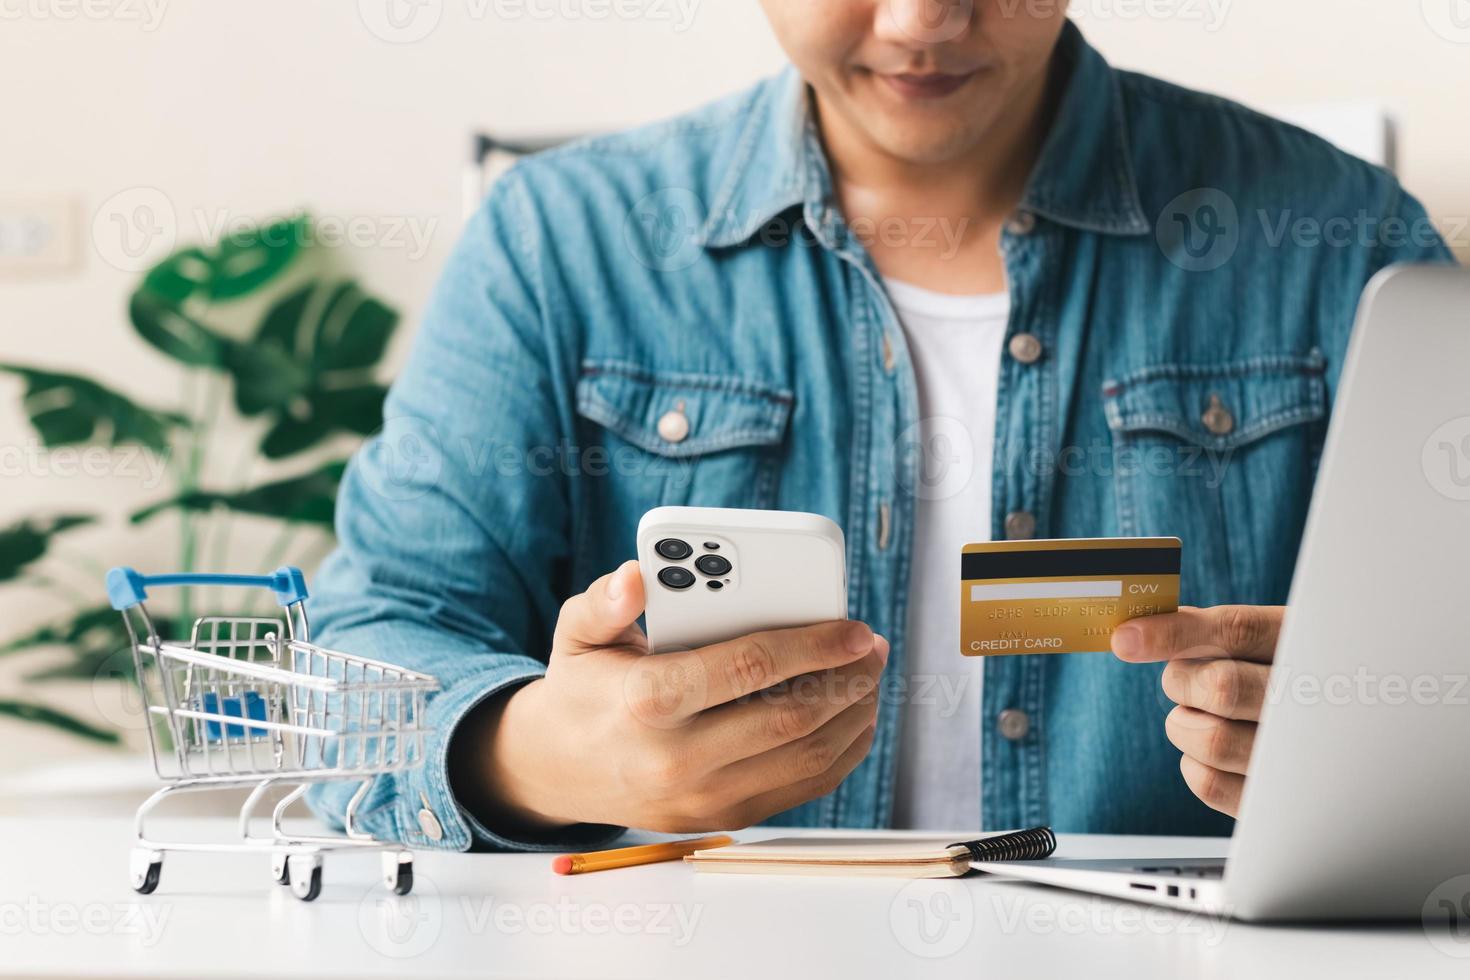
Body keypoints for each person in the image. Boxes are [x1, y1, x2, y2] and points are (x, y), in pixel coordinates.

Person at [306, 1, 1454, 853]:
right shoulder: (559, 241)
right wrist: (537, 751)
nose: (922, 24)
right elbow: (367, 657)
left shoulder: (1345, 242)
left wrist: (1404, 743)